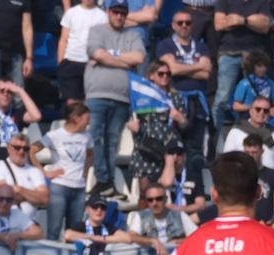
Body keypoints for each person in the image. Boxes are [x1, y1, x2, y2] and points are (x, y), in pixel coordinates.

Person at [86, 0, 146, 198]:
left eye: (122, 13)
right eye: (115, 12)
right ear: (108, 11)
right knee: (96, 138)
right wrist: (124, 61)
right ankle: (103, 181)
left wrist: (108, 57)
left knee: (112, 142)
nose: (119, 16)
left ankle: (108, 183)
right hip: (96, 95)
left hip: (122, 98)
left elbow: (139, 58)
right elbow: (97, 53)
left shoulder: (133, 35)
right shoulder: (96, 31)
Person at [157, 9, 212, 172]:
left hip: (198, 103)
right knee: (173, 148)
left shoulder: (201, 46)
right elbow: (172, 70)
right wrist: (197, 66)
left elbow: (206, 72)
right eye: (180, 23)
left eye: (188, 23)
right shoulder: (165, 45)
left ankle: (195, 183)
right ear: (173, 25)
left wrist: (181, 67)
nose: (184, 26)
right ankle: (172, 183)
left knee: (195, 150)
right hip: (175, 101)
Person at [127, 61, 188, 195]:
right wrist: (130, 124)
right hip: (145, 143)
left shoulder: (175, 97)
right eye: (161, 73)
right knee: (145, 190)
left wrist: (180, 118)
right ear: (151, 76)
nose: (165, 76)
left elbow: (184, 125)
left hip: (168, 143)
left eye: (168, 74)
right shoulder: (140, 95)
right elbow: (129, 116)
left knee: (166, 188)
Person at [33, 101, 92, 241]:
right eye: (87, 119)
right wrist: (44, 173)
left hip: (79, 188)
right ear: (76, 118)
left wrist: (85, 172)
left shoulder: (87, 136)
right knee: (54, 230)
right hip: (59, 187)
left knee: (74, 233)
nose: (89, 122)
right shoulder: (55, 135)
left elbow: (90, 154)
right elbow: (31, 151)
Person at [212, 0, 270, 133]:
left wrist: (242, 20)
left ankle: (255, 135)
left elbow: (265, 26)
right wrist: (252, 21)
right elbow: (219, 24)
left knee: (256, 100)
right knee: (222, 99)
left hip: (254, 55)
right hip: (228, 53)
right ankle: (215, 138)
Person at [0, 132, 49, 222]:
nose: (21, 151)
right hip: (3, 222)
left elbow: (45, 199)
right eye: (17, 148)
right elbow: (3, 196)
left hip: (28, 224)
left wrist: (19, 190)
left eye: (25, 149)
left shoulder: (35, 171)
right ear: (8, 148)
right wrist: (34, 196)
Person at [223, 96, 274, 181]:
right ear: (250, 111)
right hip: (242, 182)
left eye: (266, 110)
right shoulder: (236, 132)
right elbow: (226, 161)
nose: (261, 113)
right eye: (258, 109)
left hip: (269, 184)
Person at [58, 0, 107, 105]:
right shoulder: (71, 13)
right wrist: (61, 62)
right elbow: (63, 39)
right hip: (70, 62)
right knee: (72, 104)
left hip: (92, 64)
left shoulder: (102, 16)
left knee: (89, 103)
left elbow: (105, 42)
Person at [128, 184, 195, 255]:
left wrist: (179, 241)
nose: (154, 203)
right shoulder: (140, 217)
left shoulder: (179, 215)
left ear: (166, 199)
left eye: (159, 199)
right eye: (150, 200)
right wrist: (153, 241)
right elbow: (132, 236)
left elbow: (197, 236)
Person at [64, 194, 131, 255]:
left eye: (103, 208)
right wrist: (91, 237)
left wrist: (102, 239)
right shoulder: (81, 226)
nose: (99, 210)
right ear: (87, 210)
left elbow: (127, 238)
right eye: (95, 207)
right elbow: (67, 235)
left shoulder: (108, 227)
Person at [242, 133, 274, 223]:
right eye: (247, 152)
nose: (250, 155)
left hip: (266, 224)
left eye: (254, 152)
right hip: (244, 224)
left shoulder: (272, 174)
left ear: (262, 151)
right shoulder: (238, 174)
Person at [158, 141, 207, 216]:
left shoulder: (194, 176)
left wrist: (179, 209)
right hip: (168, 218)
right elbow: (167, 183)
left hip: (189, 217)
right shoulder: (160, 175)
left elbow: (201, 205)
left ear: (184, 156)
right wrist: (169, 164)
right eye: (171, 153)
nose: (175, 156)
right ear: (166, 156)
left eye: (179, 153)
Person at [231, 50, 274, 121]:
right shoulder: (244, 83)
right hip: (248, 119)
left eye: (264, 66)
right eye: (259, 66)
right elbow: (235, 106)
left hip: (265, 117)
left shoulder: (270, 83)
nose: (263, 69)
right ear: (252, 67)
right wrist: (254, 108)